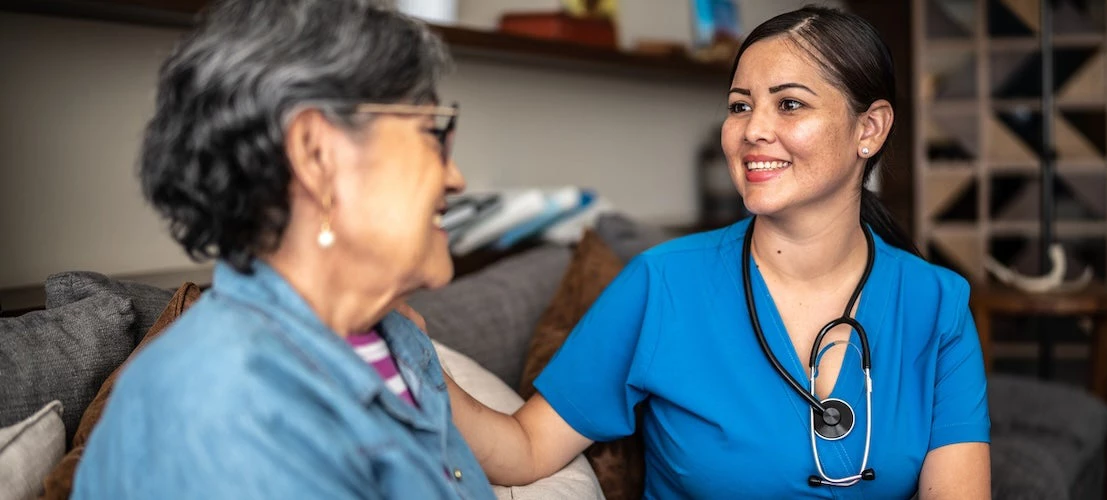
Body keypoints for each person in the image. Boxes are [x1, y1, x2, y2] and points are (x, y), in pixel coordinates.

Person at [445, 5, 991, 499]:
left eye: (790, 104)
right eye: (740, 106)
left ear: (868, 129)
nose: (753, 130)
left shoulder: (936, 304)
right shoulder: (662, 285)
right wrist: (409, 354)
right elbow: (525, 448)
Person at [72, 0, 495, 498]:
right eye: (433, 133)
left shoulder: (392, 341)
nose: (456, 176)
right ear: (316, 155)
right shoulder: (228, 410)